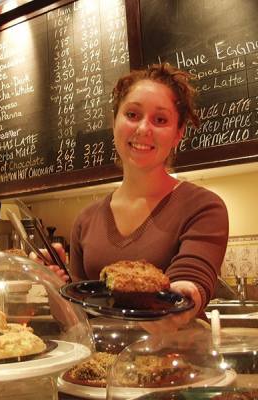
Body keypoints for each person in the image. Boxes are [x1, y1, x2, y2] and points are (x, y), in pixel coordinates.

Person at [40, 63, 229, 333]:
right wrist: (54, 284)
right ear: (114, 121)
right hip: (104, 367)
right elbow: (79, 321)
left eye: (160, 120)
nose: (143, 128)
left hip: (179, 365)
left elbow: (193, 276)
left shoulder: (203, 207)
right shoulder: (87, 220)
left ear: (179, 133)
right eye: (132, 114)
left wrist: (185, 296)